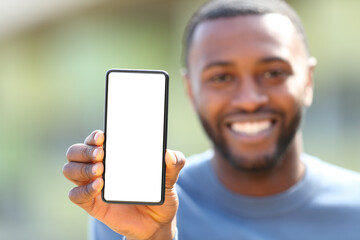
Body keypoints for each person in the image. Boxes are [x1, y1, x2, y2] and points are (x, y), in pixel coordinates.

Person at [63, 0, 360, 239]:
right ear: (191, 91)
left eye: (273, 73)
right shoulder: (138, 208)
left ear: (308, 80)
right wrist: (154, 237)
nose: (249, 99)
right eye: (221, 77)